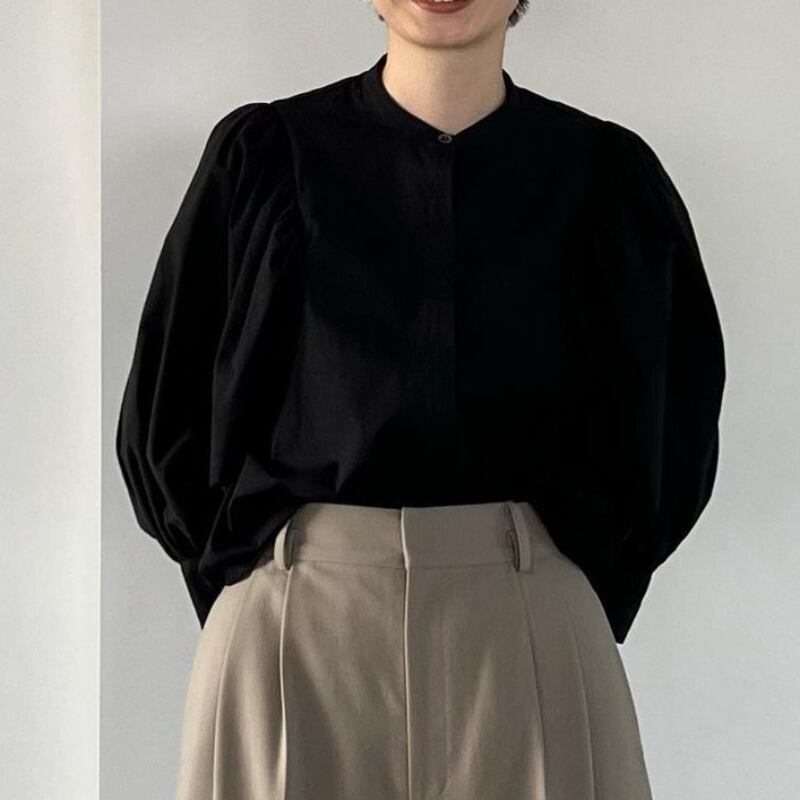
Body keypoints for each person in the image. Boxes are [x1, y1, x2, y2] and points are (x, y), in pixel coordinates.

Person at [115, 1, 726, 797]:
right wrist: (266, 576)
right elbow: (169, 416)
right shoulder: (264, 158)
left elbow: (672, 425)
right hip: (295, 635)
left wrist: (553, 579)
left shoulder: (608, 180)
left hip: (529, 630)